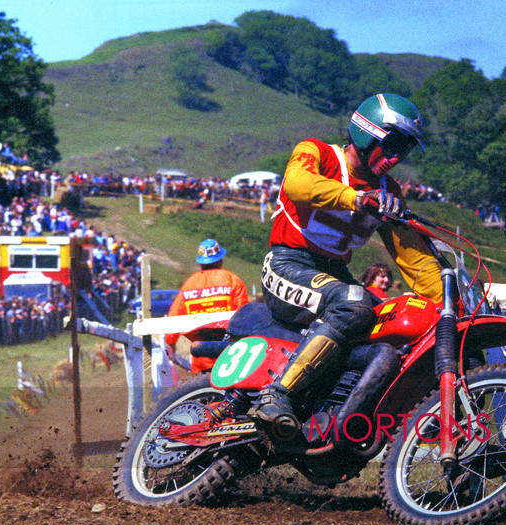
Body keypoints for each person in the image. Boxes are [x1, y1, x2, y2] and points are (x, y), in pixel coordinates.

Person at [251, 93, 441, 426]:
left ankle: (337, 413)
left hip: (334, 274)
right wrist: (356, 198)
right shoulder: (316, 152)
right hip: (287, 263)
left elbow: (414, 260)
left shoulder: (389, 192)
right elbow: (297, 184)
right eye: (394, 143)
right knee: (354, 302)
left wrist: (451, 306)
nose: (397, 157)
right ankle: (277, 395)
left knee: (390, 316)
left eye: (406, 149)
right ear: (368, 133)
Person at [164, 239, 250, 373]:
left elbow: (174, 316)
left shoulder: (190, 284)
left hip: (200, 358)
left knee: (202, 392)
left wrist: (170, 342)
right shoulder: (233, 280)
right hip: (230, 359)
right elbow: (245, 317)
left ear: (200, 263)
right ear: (220, 260)